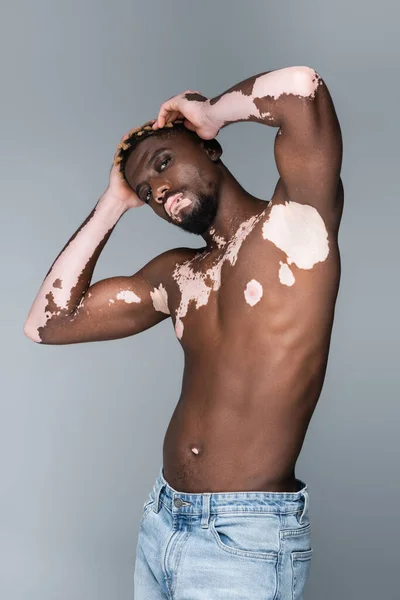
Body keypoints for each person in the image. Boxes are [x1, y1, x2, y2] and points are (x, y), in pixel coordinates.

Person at [24, 65, 343, 599]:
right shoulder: (179, 276)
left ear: (209, 149)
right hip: (162, 521)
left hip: (245, 538)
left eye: (165, 163)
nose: (160, 190)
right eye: (147, 191)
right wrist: (113, 202)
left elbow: (303, 91)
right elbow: (47, 324)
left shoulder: (294, 226)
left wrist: (211, 111)